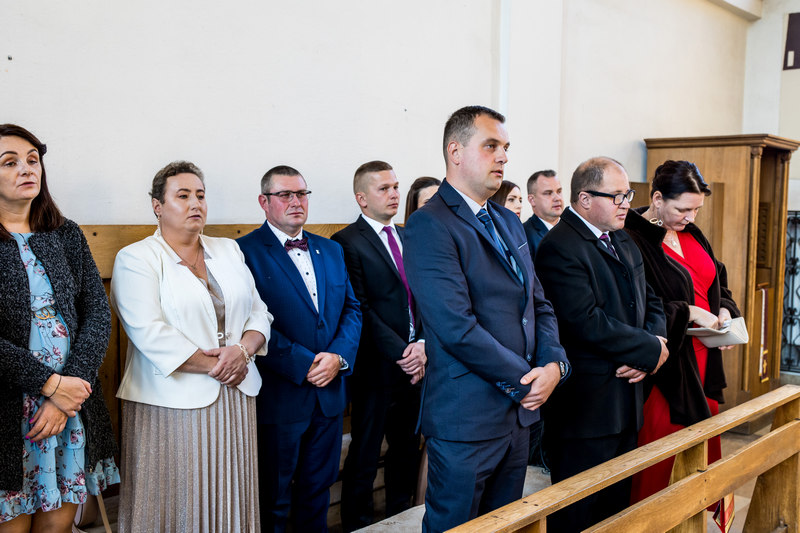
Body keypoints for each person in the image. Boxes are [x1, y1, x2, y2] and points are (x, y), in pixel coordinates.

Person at [404, 106, 569, 533]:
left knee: (505, 526)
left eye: (506, 147)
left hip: (517, 416)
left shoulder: (508, 221)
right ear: (455, 151)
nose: (503, 157)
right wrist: (527, 381)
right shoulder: (429, 224)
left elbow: (539, 305)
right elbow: (455, 327)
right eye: (491, 146)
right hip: (467, 420)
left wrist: (554, 365)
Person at [111, 161, 272, 532]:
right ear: (158, 206)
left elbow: (259, 312)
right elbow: (148, 332)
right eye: (182, 196)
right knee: (178, 500)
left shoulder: (228, 250)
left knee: (230, 495)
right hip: (169, 402)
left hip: (235, 396)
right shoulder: (136, 258)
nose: (195, 203)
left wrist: (243, 352)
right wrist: (223, 365)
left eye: (200, 195)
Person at [534, 156, 669, 532]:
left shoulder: (622, 237)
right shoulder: (559, 247)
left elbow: (651, 298)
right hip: (587, 411)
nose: (626, 203)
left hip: (627, 401)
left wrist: (655, 343)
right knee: (577, 516)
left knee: (615, 514)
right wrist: (647, 350)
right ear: (585, 199)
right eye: (617, 196)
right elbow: (584, 322)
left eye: (628, 195)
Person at [0, 124, 119, 532]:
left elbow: (97, 314)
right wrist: (49, 384)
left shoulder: (65, 234)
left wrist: (68, 391)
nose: (26, 169)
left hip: (69, 405)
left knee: (57, 527)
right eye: (10, 162)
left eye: (32, 160)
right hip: (10, 408)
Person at [237, 165, 361, 532]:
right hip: (281, 395)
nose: (296, 201)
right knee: (273, 498)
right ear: (264, 202)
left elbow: (352, 309)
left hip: (330, 393)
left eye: (302, 194)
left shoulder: (332, 249)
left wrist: (338, 357)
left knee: (318, 492)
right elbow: (247, 320)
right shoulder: (243, 252)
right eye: (285, 195)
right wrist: (304, 363)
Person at [624, 160, 740, 503]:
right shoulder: (633, 237)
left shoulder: (692, 233)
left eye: (696, 209)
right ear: (657, 199)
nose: (691, 217)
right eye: (683, 209)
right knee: (663, 453)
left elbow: (717, 278)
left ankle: (691, 518)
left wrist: (725, 309)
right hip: (670, 362)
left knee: (700, 459)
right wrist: (690, 312)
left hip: (704, 357)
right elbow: (640, 306)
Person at [332, 161, 425, 531]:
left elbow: (423, 296)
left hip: (416, 364)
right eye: (384, 188)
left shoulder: (407, 236)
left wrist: (421, 345)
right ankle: (358, 524)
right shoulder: (347, 241)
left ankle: (401, 518)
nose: (394, 194)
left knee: (406, 450)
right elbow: (361, 308)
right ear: (362, 198)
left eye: (396, 186)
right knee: (366, 453)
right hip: (376, 367)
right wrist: (403, 352)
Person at [522, 169, 563, 257]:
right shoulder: (523, 235)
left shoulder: (575, 228)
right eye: (548, 193)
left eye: (559, 191)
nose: (557, 198)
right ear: (532, 200)